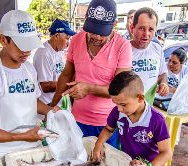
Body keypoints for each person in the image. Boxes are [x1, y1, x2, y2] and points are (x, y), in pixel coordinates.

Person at [0, 10, 58, 156]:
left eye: (30, 45)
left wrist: (52, 112)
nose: (27, 51)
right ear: (4, 40)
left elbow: (32, 102)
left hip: (33, 147)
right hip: (4, 153)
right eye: (21, 45)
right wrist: (21, 137)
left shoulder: (29, 69)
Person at [50, 0, 132, 147]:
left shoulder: (122, 46)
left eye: (102, 33)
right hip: (77, 120)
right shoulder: (76, 40)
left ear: (114, 25)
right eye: (92, 30)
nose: (96, 37)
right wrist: (52, 104)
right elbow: (66, 75)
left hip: (108, 124)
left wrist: (88, 88)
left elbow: (121, 90)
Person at [92, 71, 172, 166]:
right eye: (116, 104)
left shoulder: (157, 120)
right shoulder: (118, 112)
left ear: (140, 98)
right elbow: (108, 129)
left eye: (123, 105)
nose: (119, 109)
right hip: (128, 163)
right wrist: (98, 144)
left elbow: (166, 152)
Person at [33, 19, 76, 105]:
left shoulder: (59, 51)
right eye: (67, 38)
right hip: (48, 105)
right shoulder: (44, 53)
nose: (68, 43)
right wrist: (69, 84)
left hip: (60, 102)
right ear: (56, 36)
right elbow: (45, 86)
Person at [130, 7, 169, 97]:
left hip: (148, 107)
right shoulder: (124, 50)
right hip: (126, 108)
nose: (146, 34)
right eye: (142, 28)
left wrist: (163, 84)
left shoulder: (157, 48)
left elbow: (162, 73)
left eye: (151, 29)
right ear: (132, 28)